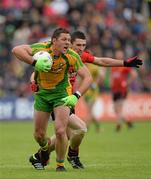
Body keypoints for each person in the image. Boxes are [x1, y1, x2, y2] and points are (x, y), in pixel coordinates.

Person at [30, 31, 143, 169]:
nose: (81, 48)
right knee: (79, 129)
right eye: (78, 45)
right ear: (69, 44)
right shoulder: (57, 54)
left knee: (65, 134)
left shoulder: (78, 57)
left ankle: (39, 156)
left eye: (84, 45)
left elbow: (101, 61)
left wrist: (124, 63)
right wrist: (33, 82)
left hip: (68, 98)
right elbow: (36, 71)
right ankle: (72, 156)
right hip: (57, 98)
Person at [12, 28, 93, 172]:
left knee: (61, 131)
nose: (68, 43)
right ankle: (43, 150)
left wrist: (76, 96)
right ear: (54, 41)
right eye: (64, 40)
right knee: (39, 135)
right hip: (42, 95)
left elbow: (88, 77)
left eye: (69, 40)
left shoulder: (72, 55)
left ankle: (60, 165)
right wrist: (34, 63)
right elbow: (16, 50)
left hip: (61, 95)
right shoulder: (42, 48)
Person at [110, 49, 138, 131]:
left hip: (122, 90)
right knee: (116, 109)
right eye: (117, 54)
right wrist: (112, 83)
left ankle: (118, 126)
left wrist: (127, 83)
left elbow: (134, 75)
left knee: (119, 108)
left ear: (122, 55)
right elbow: (113, 76)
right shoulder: (114, 65)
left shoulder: (125, 65)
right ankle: (128, 122)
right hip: (115, 90)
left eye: (120, 54)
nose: (118, 56)